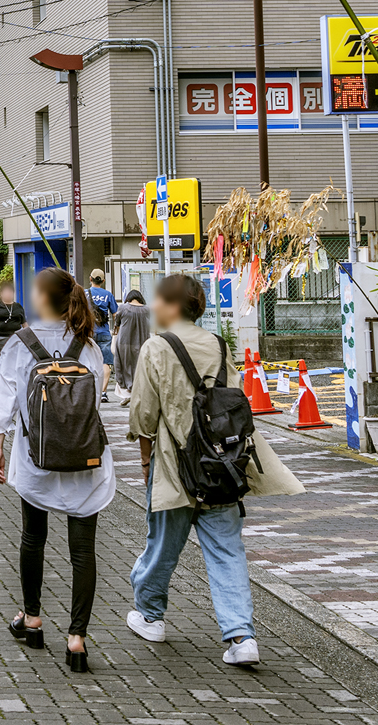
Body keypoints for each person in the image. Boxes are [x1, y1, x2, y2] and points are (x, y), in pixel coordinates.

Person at [126, 273, 303, 667]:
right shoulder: (219, 346)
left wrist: (144, 463)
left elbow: (143, 415)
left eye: (159, 301)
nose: (153, 307)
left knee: (162, 547)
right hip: (221, 467)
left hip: (175, 467)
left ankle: (151, 616)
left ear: (172, 306)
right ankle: (242, 637)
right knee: (226, 552)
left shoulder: (156, 347)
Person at [0, 268, 114, 674]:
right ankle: (76, 639)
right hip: (84, 459)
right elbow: (95, 396)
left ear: (42, 300)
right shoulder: (87, 345)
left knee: (33, 537)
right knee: (82, 551)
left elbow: (4, 401)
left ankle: (33, 618)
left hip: (36, 457)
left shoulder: (21, 344)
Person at [86, 270, 118, 403]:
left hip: (88, 333)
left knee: (88, 362)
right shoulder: (108, 294)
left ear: (90, 279)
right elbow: (116, 314)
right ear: (103, 281)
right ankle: (103, 392)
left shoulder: (84, 293)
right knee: (106, 362)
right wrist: (116, 330)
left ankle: (90, 390)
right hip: (104, 333)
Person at [112, 289, 150, 398]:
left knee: (123, 367)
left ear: (128, 298)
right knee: (139, 367)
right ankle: (136, 390)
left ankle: (126, 391)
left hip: (124, 342)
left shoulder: (123, 308)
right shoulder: (147, 310)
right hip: (142, 343)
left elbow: (117, 323)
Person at [0, 278, 26, 368]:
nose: (8, 294)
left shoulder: (18, 307)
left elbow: (24, 323)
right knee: (1, 363)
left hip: (15, 338)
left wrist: (29, 336)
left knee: (15, 363)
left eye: (10, 292)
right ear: (1, 294)